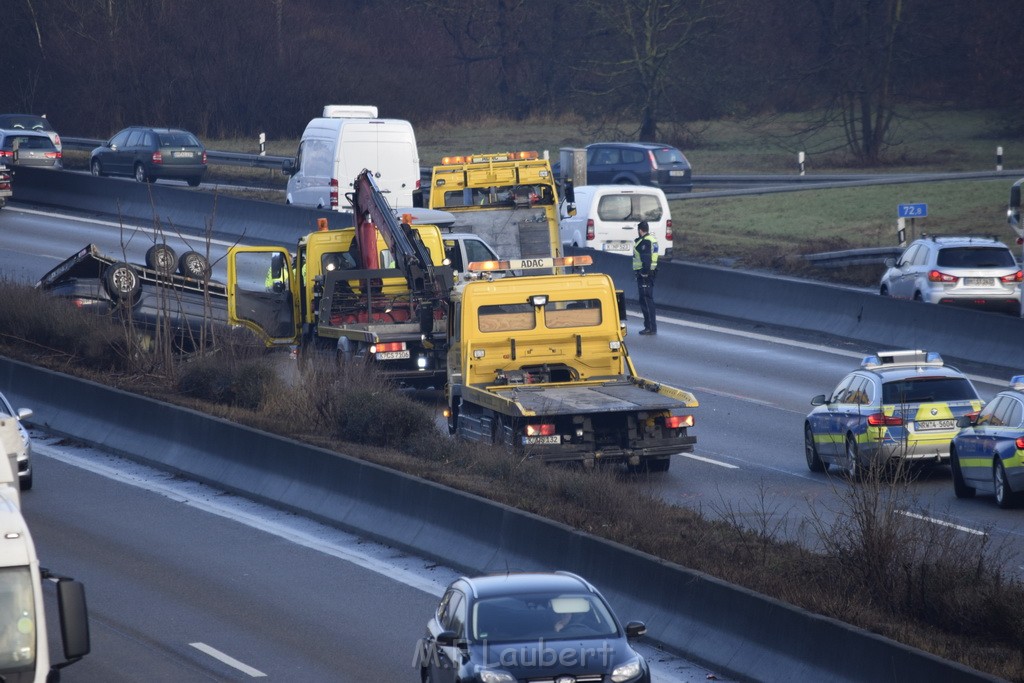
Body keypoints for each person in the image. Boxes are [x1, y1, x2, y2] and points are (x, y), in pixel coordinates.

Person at [633, 220, 659, 335]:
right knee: (648, 299)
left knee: (646, 300)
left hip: (645, 275)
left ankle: (650, 327)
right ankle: (651, 327)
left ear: (640, 230)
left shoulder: (645, 242)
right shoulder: (652, 240)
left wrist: (644, 273)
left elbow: (646, 259)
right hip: (650, 274)